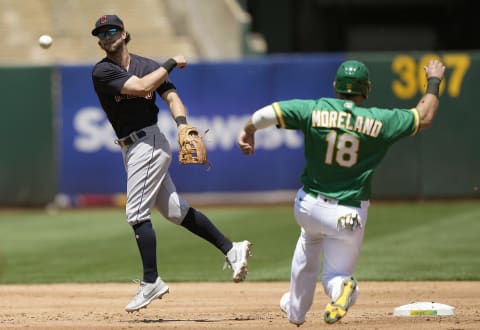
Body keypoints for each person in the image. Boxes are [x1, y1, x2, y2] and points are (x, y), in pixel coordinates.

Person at [237, 59, 445, 325]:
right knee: (336, 275)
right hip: (348, 214)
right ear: (366, 89)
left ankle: (295, 310)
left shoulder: (314, 110)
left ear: (335, 86)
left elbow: (270, 113)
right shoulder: (380, 120)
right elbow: (423, 117)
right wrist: (434, 80)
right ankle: (341, 289)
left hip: (308, 207)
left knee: (309, 241)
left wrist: (248, 130)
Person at [90, 14, 252, 313]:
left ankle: (151, 280)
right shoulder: (103, 71)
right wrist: (171, 63)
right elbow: (140, 88)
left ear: (124, 34)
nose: (106, 36)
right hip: (132, 146)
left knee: (136, 211)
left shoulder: (147, 64)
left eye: (111, 30)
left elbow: (172, 96)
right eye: (101, 33)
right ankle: (232, 248)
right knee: (175, 210)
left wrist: (181, 124)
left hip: (148, 143)